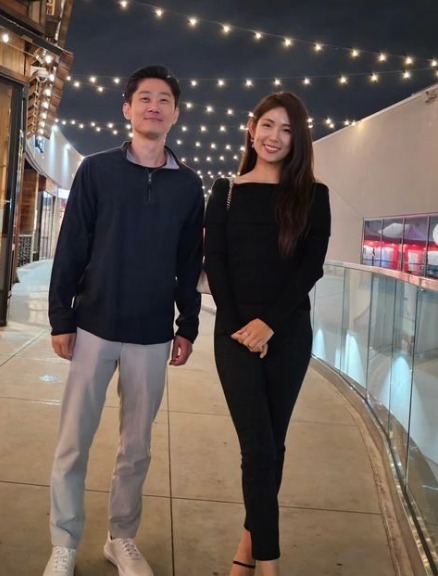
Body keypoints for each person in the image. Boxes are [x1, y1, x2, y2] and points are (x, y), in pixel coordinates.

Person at [43, 65, 204, 576]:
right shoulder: (97, 171)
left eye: (164, 99)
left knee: (136, 448)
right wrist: (61, 317)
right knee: (74, 442)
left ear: (176, 114)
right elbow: (72, 245)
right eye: (145, 98)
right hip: (93, 325)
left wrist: (187, 325)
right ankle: (64, 541)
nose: (154, 106)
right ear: (127, 109)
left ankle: (122, 537)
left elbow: (189, 263)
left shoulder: (188, 186)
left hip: (152, 334)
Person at [204, 91, 331, 576]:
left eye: (287, 130)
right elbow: (216, 262)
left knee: (272, 445)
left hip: (289, 333)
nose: (275, 137)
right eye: (268, 125)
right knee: (257, 446)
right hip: (234, 333)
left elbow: (310, 267)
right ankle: (270, 565)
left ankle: (247, 549)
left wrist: (270, 324)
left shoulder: (313, 195)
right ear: (251, 129)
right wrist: (243, 326)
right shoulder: (226, 192)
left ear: (298, 140)